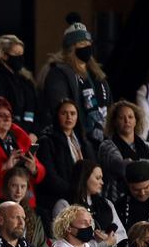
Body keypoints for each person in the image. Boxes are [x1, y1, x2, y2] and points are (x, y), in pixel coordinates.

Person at [39, 19, 111, 149]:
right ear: (71, 48)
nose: (87, 46)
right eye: (82, 43)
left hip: (102, 139)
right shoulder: (58, 73)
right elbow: (60, 107)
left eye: (88, 43)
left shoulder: (97, 74)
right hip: (77, 140)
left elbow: (109, 104)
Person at [37, 99, 98, 217]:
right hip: (59, 199)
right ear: (57, 116)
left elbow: (94, 169)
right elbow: (50, 176)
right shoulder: (46, 141)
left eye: (73, 113)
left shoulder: (84, 142)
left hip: (84, 197)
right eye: (64, 113)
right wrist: (74, 192)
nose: (69, 117)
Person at [98, 101, 149, 197]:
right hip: (118, 200)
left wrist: (137, 167)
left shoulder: (148, 146)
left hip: (147, 201)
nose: (127, 120)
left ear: (136, 120)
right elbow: (123, 168)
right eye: (121, 117)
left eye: (130, 117)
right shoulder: (107, 146)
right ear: (114, 122)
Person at [51, 160, 124, 247]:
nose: (102, 182)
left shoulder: (106, 204)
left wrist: (109, 238)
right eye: (98, 178)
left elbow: (122, 234)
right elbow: (63, 242)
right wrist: (102, 244)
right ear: (84, 178)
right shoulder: (64, 205)